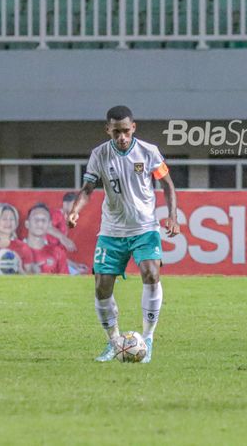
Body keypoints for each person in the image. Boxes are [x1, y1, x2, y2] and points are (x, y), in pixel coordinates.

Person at [68, 105, 180, 363]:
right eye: (116, 132)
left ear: (133, 128)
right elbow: (88, 188)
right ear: (108, 130)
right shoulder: (99, 155)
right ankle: (114, 342)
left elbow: (167, 184)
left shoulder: (148, 152)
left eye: (126, 131)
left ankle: (148, 339)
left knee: (151, 273)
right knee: (101, 286)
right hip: (111, 231)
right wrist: (75, 211)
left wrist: (173, 216)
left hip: (145, 227)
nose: (122, 137)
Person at [24, 202, 68, 274]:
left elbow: (66, 283)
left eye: (44, 220)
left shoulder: (58, 253)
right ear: (27, 224)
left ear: (49, 225)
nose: (40, 223)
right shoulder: (16, 250)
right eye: (36, 219)